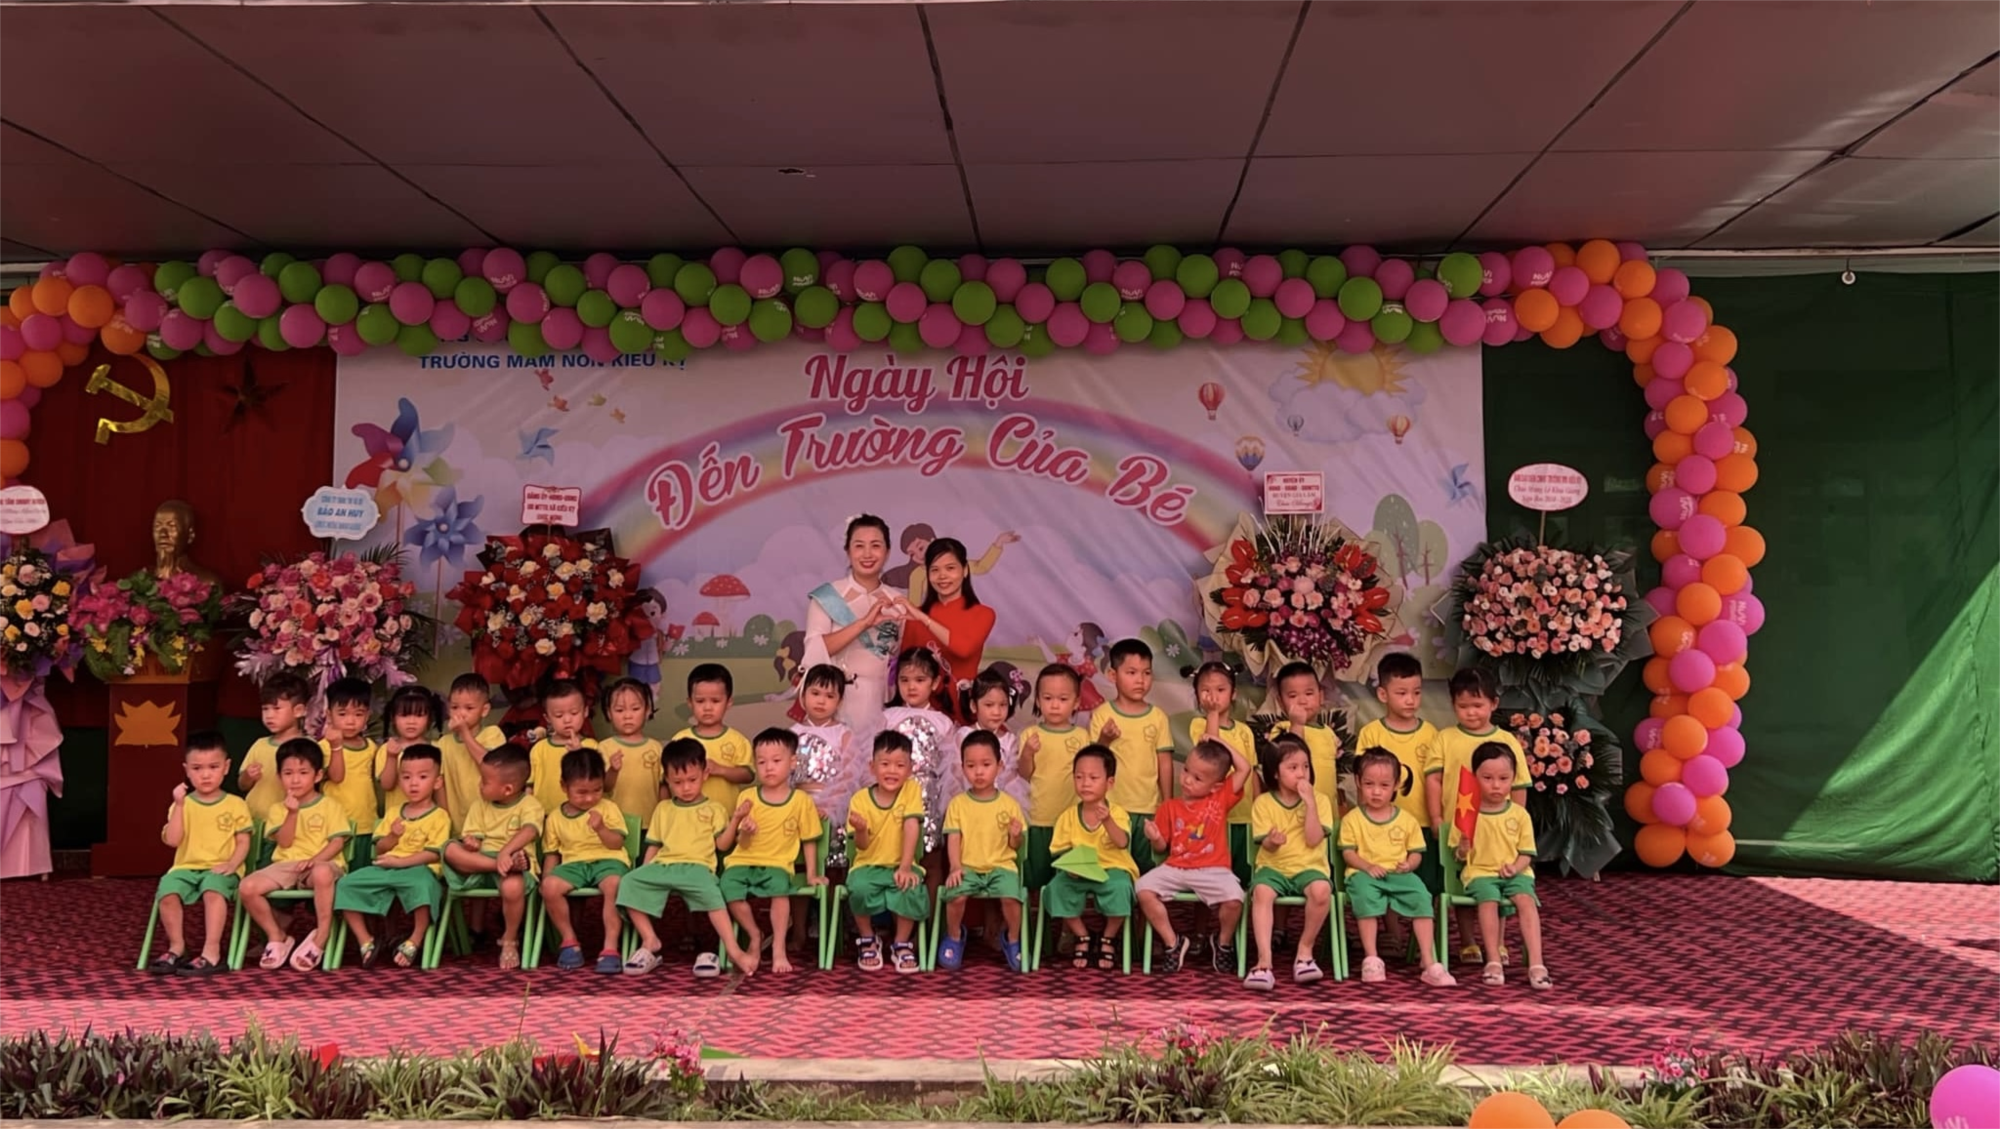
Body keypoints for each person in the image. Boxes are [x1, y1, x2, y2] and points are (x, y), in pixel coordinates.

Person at [617, 737, 757, 977]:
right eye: (678, 782)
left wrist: (735, 820)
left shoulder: (714, 809)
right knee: (628, 882)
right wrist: (644, 871)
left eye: (692, 780)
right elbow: (654, 846)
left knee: (712, 893)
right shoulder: (663, 809)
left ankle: (734, 950)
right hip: (664, 865)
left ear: (705, 774)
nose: (686, 788)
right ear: (667, 780)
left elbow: (722, 845)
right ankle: (650, 939)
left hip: (698, 867)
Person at [1426, 667, 1529, 965]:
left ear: (1494, 703)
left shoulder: (1508, 742)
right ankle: (1468, 941)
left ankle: (1498, 943)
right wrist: (1436, 819)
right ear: (1453, 705)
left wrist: (1517, 823)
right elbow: (1434, 779)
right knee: (1462, 882)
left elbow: (1519, 785)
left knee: (1500, 881)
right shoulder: (1445, 738)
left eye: (1478, 705)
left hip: (1499, 833)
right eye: (1463, 706)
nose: (1471, 712)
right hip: (1460, 830)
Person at [1134, 737, 1251, 974]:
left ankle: (1223, 943)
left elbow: (1244, 768)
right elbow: (1161, 848)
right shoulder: (1169, 807)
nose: (1187, 779)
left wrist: (1218, 741)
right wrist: (1154, 837)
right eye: (1186, 770)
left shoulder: (1219, 798)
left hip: (1213, 869)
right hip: (1176, 867)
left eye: (1198, 778)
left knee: (1235, 899)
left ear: (1215, 786)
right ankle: (1173, 942)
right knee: (1142, 889)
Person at [1338, 748, 1453, 987]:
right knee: (1365, 896)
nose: (1376, 791)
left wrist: (1409, 864)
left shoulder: (1407, 820)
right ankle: (1371, 958)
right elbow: (1348, 853)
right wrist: (1367, 866)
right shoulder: (1352, 819)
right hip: (1365, 874)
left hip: (1399, 874)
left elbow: (1416, 853)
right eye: (1369, 784)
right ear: (1358, 782)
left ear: (1396, 785)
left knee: (1422, 896)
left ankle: (1429, 962)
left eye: (1384, 785)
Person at [335, 743, 453, 968]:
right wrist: (392, 836)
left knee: (423, 886)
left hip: (418, 870)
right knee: (345, 884)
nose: (413, 783)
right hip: (386, 867)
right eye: (406, 777)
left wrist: (401, 862)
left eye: (422, 777)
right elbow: (380, 849)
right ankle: (365, 940)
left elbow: (433, 854)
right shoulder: (393, 813)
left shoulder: (440, 816)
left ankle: (415, 939)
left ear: (437, 782)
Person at [240, 738, 353, 972]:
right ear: (279, 776)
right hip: (286, 864)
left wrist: (315, 860)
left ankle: (321, 936)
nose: (295, 779)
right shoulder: (277, 809)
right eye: (288, 773)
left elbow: (337, 842)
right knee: (247, 887)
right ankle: (277, 935)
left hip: (322, 863)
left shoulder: (330, 806)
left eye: (303, 773)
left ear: (318, 775)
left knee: (322, 873)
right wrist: (292, 814)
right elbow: (284, 842)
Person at [723, 728, 826, 975]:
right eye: (762, 762)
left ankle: (779, 948)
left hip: (777, 864)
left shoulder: (801, 800)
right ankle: (754, 934)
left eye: (776, 761)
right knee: (727, 888)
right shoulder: (748, 797)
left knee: (780, 890)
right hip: (742, 861)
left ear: (792, 762)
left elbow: (809, 840)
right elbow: (742, 844)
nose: (769, 768)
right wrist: (746, 831)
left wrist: (812, 874)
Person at [149, 731, 252, 976]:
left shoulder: (236, 804)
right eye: (197, 768)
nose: (205, 775)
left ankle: (211, 951)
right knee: (168, 890)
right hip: (185, 868)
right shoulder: (182, 804)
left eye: (213, 767)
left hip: (221, 868)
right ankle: (177, 947)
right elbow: (173, 840)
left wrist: (232, 864)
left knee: (212, 889)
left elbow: (243, 841)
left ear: (226, 767)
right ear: (187, 770)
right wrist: (180, 805)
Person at [801, 514, 905, 742]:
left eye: (875, 546)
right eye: (859, 546)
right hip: (835, 701)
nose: (867, 554)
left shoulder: (897, 602)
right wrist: (863, 624)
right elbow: (814, 651)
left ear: (887, 552)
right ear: (848, 551)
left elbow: (896, 659)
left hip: (879, 704)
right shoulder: (828, 596)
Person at [442, 745, 545, 970]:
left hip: (516, 861)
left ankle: (509, 939)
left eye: (485, 781)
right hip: (485, 862)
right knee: (449, 848)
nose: (480, 785)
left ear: (507, 789)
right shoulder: (479, 806)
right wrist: (472, 843)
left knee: (513, 887)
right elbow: (473, 838)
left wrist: (506, 852)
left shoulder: (530, 804)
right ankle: (497, 865)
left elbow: (530, 831)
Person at [1245, 734, 1333, 990]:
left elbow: (1314, 839)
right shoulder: (1263, 803)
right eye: (1292, 767)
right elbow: (1265, 845)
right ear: (1275, 773)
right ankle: (1264, 961)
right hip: (1274, 867)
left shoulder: (1321, 801)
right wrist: (1272, 841)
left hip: (1310, 867)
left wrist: (1310, 805)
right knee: (1261, 892)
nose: (1301, 773)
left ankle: (1305, 952)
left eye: (1305, 766)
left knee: (1321, 891)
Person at [1459, 742, 1550, 991]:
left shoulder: (1519, 815)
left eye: (1503, 778)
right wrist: (1463, 847)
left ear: (1513, 778)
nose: (1496, 785)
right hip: (1480, 873)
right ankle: (1493, 960)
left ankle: (1537, 963)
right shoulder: (1468, 813)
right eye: (1487, 778)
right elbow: (1460, 855)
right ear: (1475, 777)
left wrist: (1515, 868)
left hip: (1515, 872)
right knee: (1488, 901)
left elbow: (1526, 854)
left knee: (1526, 901)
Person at [1354, 652, 1440, 902]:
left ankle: (1427, 925)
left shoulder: (1431, 733)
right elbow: (1362, 782)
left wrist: (1438, 817)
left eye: (1417, 692)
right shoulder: (1371, 733)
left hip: (1422, 823)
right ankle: (1388, 924)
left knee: (1427, 885)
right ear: (1383, 694)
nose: (1410, 700)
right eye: (1402, 693)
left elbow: (1436, 781)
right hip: (1383, 825)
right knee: (1385, 882)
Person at [937, 731, 1027, 972]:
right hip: (968, 868)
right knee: (956, 896)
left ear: (1000, 766)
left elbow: (1016, 847)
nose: (978, 772)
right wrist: (956, 867)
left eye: (986, 765)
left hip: (1001, 867)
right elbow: (953, 838)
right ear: (962, 768)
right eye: (971, 766)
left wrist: (1015, 835)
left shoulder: (1010, 804)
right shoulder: (958, 804)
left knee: (1011, 898)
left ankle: (1012, 938)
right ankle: (954, 936)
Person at [843, 731, 929, 974]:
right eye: (885, 764)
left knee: (910, 886)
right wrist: (861, 830)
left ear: (910, 769)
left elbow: (911, 826)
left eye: (900, 765)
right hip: (867, 865)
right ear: (872, 767)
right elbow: (861, 846)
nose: (892, 771)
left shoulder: (910, 790)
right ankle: (868, 938)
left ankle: (901, 943)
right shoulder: (860, 799)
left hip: (901, 863)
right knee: (859, 888)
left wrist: (905, 866)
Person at [1046, 744, 1138, 971]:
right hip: (1078, 873)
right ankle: (1082, 935)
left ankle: (1108, 937)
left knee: (1121, 888)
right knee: (1056, 887)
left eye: (1093, 778)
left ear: (1110, 782)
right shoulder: (1068, 816)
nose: (1085, 783)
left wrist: (1107, 821)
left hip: (1111, 869)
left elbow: (1122, 842)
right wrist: (1070, 867)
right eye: (1079, 777)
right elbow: (1059, 851)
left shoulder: (1117, 813)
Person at [539, 749, 630, 974]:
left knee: (614, 884)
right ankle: (569, 941)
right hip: (573, 865)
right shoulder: (555, 817)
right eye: (581, 792)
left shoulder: (608, 808)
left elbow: (616, 843)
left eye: (597, 790)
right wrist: (546, 879)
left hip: (608, 860)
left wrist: (601, 828)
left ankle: (610, 947)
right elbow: (552, 854)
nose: (590, 798)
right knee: (549, 887)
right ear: (564, 786)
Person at [1088, 639, 1173, 871]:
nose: (1140, 680)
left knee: (1147, 867)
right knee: (1114, 865)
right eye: (1132, 672)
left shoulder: (1158, 717)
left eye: (1147, 673)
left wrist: (1167, 803)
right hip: (1112, 808)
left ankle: (1145, 896)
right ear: (1112, 675)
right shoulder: (1102, 715)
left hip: (1148, 807)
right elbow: (1093, 763)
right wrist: (1105, 740)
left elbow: (1165, 763)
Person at [897, 538, 998, 719]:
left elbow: (963, 649)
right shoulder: (915, 617)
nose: (942, 576)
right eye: (935, 570)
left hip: (964, 710)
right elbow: (905, 669)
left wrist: (925, 619)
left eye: (950, 568)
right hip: (922, 714)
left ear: (965, 570)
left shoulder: (983, 614)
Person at [1017, 665, 1088, 892]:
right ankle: (1035, 916)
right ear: (1038, 701)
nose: (1055, 705)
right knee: (1035, 881)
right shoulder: (1029, 735)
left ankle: (1062, 916)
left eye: (1063, 699)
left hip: (1070, 823)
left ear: (1076, 702)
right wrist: (1027, 753)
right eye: (1048, 698)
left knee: (1066, 882)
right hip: (1037, 819)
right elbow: (1023, 775)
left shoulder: (1082, 736)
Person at [1185, 661, 1258, 881]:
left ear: (1233, 693)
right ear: (1197, 695)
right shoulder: (1198, 725)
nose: (1213, 696)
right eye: (1206, 690)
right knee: (1212, 875)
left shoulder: (1245, 731)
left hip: (1244, 816)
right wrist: (1213, 714)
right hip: (1214, 818)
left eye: (1220, 690)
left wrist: (1258, 808)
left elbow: (1252, 772)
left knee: (1245, 873)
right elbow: (1211, 754)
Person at [882, 645, 956, 854]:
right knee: (892, 850)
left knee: (928, 853)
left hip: (929, 796)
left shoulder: (943, 722)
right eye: (904, 680)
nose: (911, 687)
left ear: (935, 683)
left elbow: (949, 770)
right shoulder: (888, 717)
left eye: (919, 680)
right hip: (893, 792)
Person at [670, 664, 754, 813]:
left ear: (729, 702)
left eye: (715, 701)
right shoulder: (680, 739)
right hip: (687, 817)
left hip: (727, 816)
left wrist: (720, 769)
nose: (707, 707)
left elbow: (748, 775)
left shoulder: (737, 740)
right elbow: (668, 777)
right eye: (700, 701)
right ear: (690, 703)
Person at [319, 677, 381, 867]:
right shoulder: (324, 747)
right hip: (336, 825)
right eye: (342, 714)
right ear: (329, 715)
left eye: (358, 714)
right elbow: (336, 777)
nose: (351, 721)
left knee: (361, 871)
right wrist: (336, 747)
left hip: (366, 821)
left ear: (367, 716)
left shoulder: (371, 747)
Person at [947, 665, 1025, 812]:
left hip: (998, 806)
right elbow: (955, 775)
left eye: (1002, 705)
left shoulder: (1010, 740)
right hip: (967, 805)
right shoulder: (963, 736)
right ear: (973, 706)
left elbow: (1012, 781)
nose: (996, 712)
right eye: (989, 705)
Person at [884, 523, 1017, 607]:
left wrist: (998, 543)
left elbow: (981, 567)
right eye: (912, 554)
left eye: (920, 548)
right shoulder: (917, 575)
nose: (918, 556)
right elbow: (915, 606)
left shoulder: (955, 562)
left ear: (933, 541)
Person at [1266, 661, 1342, 808]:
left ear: (1321, 696)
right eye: (1293, 695)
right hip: (1297, 810)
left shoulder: (1328, 732)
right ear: (1280, 702)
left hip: (1327, 809)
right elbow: (1290, 755)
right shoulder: (1281, 729)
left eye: (1309, 693)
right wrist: (1297, 725)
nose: (1302, 701)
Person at [239, 672, 311, 820]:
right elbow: (242, 785)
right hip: (254, 819)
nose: (269, 715)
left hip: (287, 821)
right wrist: (248, 776)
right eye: (265, 709)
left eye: (277, 708)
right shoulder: (260, 745)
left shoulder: (309, 747)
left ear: (298, 711)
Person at [438, 673, 505, 831]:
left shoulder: (493, 734)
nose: (460, 713)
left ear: (485, 710)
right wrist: (444, 819)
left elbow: (490, 766)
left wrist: (464, 733)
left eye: (469, 708)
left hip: (488, 823)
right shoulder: (443, 743)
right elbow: (440, 785)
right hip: (456, 824)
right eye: (455, 707)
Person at [792, 663, 858, 820]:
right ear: (803, 695)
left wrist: (828, 806)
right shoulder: (793, 734)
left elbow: (849, 777)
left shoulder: (844, 735)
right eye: (815, 693)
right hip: (797, 806)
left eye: (829, 696)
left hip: (832, 808)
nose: (821, 701)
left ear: (839, 702)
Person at [601, 677, 665, 826]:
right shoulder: (604, 748)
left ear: (647, 710)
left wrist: (663, 818)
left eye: (635, 709)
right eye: (619, 710)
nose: (627, 716)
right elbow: (603, 787)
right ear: (609, 713)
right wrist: (613, 770)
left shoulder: (656, 748)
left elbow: (663, 786)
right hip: (614, 825)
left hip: (650, 823)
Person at [529, 679, 598, 804]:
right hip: (545, 812)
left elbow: (598, 782)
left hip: (580, 811)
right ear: (547, 718)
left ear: (585, 712)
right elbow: (530, 785)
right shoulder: (539, 748)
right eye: (559, 715)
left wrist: (579, 754)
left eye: (574, 713)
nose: (567, 720)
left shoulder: (591, 746)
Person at [376, 685, 442, 801]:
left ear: (429, 718)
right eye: (404, 715)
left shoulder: (436, 748)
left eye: (419, 715)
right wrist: (391, 757)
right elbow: (387, 785)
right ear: (393, 718)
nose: (411, 722)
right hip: (396, 812)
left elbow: (440, 789)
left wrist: (444, 811)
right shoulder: (387, 749)